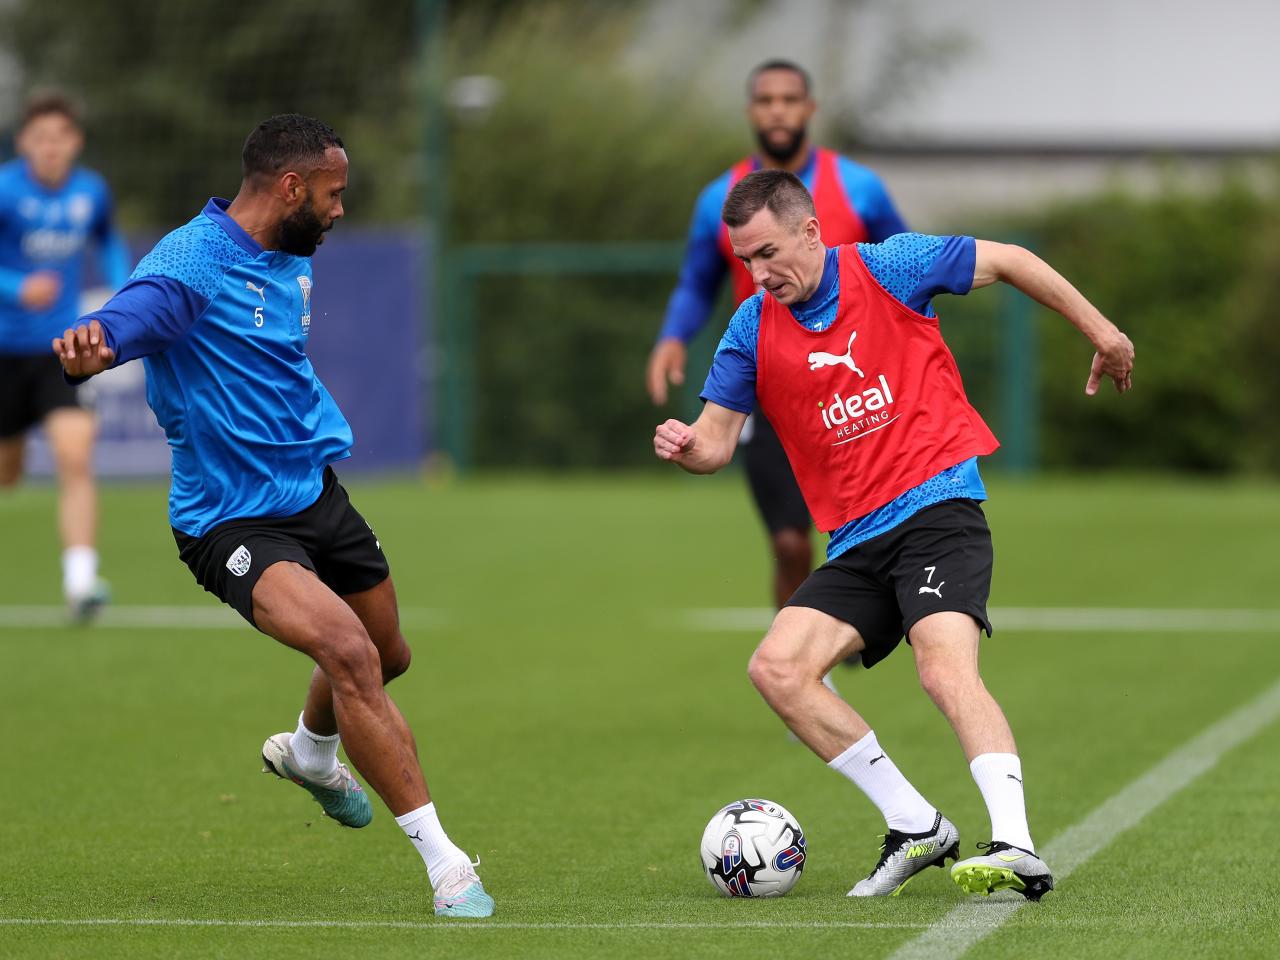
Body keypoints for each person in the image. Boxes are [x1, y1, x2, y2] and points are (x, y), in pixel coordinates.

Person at [52, 114, 494, 919]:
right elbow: (133, 314)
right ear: (290, 187)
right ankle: (448, 866)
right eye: (332, 195)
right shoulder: (192, 262)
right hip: (228, 522)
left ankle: (312, 752)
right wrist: (98, 343)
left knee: (388, 654)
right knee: (349, 654)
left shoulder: (289, 250)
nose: (340, 210)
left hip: (315, 495)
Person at [654, 170, 1133, 901]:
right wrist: (687, 446)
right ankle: (916, 826)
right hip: (857, 542)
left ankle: (1015, 843)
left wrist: (1102, 331)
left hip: (938, 510)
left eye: (769, 252)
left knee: (943, 668)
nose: (759, 272)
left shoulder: (889, 266)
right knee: (777, 669)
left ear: (812, 231)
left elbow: (1008, 259)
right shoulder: (751, 326)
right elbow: (717, 444)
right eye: (746, 260)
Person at [647, 60, 908, 623]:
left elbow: (907, 268)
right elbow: (697, 282)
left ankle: (874, 617)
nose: (778, 110)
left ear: (808, 109)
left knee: (874, 529)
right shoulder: (719, 199)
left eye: (789, 99)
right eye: (766, 100)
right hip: (774, 387)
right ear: (752, 112)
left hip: (860, 384)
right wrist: (673, 337)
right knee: (790, 543)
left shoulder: (859, 187)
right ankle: (807, 667)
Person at [0, 91, 130, 621]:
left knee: (75, 457)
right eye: (40, 138)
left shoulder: (91, 191)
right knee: (7, 474)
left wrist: (127, 289)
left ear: (74, 142)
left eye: (61, 138)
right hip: (4, 353)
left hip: (61, 349)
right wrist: (15, 288)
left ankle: (81, 583)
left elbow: (109, 240)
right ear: (23, 142)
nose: (51, 148)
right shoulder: (5, 190)